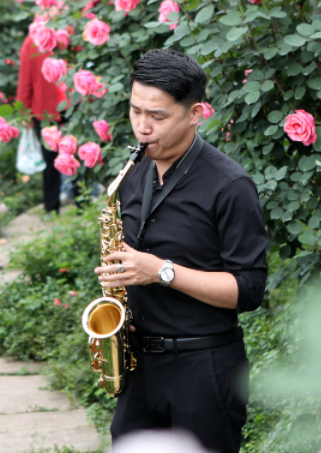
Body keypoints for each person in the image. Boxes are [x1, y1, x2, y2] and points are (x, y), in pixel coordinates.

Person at [93, 49, 270, 453]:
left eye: (157, 116)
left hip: (203, 369)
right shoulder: (133, 173)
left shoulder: (230, 186)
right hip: (140, 366)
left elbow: (249, 290)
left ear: (195, 114)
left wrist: (161, 271)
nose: (142, 127)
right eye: (135, 111)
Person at [16, 34, 65, 212]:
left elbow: (25, 79)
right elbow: (26, 79)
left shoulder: (33, 40)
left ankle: (53, 209)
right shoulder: (63, 33)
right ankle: (80, 204)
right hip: (60, 106)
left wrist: (24, 111)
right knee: (69, 155)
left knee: (52, 160)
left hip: (48, 109)